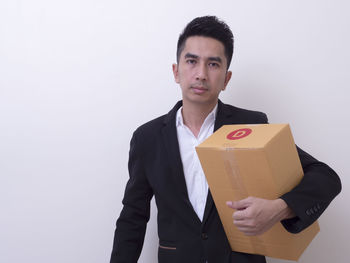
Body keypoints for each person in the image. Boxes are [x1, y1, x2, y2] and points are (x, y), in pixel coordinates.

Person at [110, 16, 341, 263]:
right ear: (176, 72)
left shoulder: (250, 126)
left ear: (226, 78)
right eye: (191, 61)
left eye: (213, 64)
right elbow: (133, 217)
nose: (200, 74)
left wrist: (280, 208)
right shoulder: (148, 138)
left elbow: (326, 177)